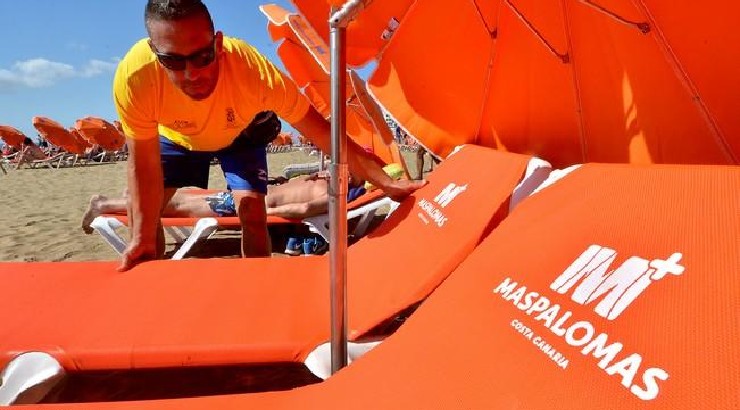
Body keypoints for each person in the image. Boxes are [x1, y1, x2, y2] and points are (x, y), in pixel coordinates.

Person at [114, 0, 425, 271]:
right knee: (145, 215)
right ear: (155, 52)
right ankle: (151, 280)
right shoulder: (136, 78)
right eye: (173, 61)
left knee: (251, 211)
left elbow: (324, 135)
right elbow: (142, 165)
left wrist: (383, 180)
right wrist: (141, 236)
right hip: (177, 135)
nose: (191, 74)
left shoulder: (253, 72)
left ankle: (257, 287)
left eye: (201, 57)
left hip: (239, 132)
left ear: (218, 44)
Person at [81, 172, 368, 234]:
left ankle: (110, 204)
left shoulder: (336, 194)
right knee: (180, 200)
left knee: (179, 204)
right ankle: (115, 202)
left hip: (249, 203)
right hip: (247, 196)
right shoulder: (324, 179)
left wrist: (269, 211)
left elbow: (304, 210)